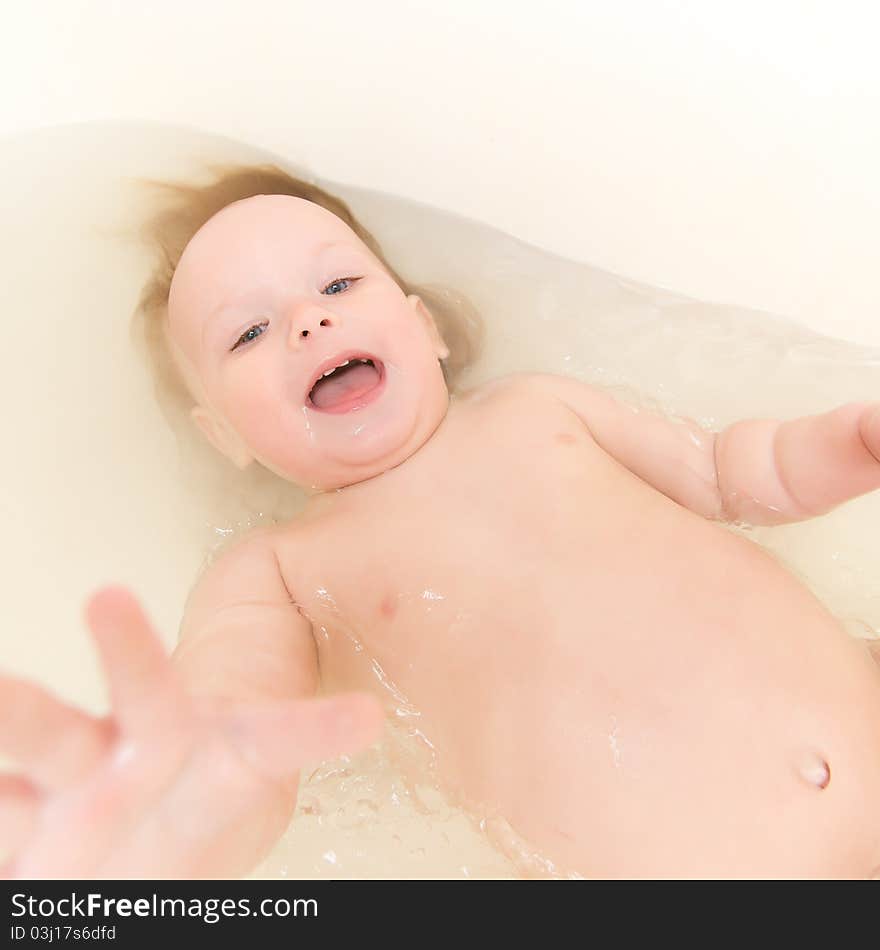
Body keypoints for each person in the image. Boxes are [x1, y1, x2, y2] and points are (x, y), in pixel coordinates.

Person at [4, 164, 880, 879]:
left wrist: (846, 445)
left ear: (423, 327)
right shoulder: (278, 571)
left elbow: (731, 472)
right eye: (248, 334)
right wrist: (176, 799)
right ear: (223, 435)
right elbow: (243, 724)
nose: (310, 320)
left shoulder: (545, 408)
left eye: (338, 283)